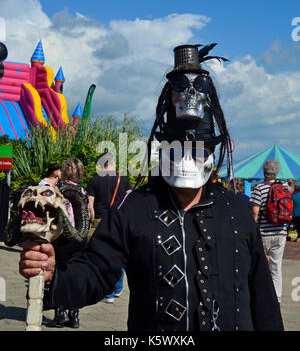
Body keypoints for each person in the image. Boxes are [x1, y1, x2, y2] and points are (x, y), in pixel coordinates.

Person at [19, 44, 283, 331]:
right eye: (179, 147)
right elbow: (97, 270)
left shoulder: (237, 212)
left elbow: (263, 299)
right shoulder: (136, 209)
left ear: (211, 150)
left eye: (197, 149)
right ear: (163, 148)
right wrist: (53, 274)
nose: (187, 157)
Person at [46, 157, 89, 328]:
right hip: (79, 238)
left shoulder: (58, 189)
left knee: (59, 274)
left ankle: (60, 312)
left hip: (62, 237)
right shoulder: (83, 191)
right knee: (75, 275)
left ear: (64, 172)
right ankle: (75, 315)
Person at [87, 152, 132, 303]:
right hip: (118, 220)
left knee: (100, 254)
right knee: (118, 253)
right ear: (112, 162)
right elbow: (129, 198)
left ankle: (106, 290)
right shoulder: (123, 178)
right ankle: (117, 288)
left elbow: (90, 206)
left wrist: (91, 220)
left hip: (99, 219)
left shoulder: (94, 179)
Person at [250, 160, 287, 303]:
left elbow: (254, 212)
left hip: (264, 233)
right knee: (276, 267)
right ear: (277, 172)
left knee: (260, 265)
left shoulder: (259, 188)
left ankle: (262, 297)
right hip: (281, 232)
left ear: (264, 172)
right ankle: (277, 298)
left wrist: (253, 232)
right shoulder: (284, 187)